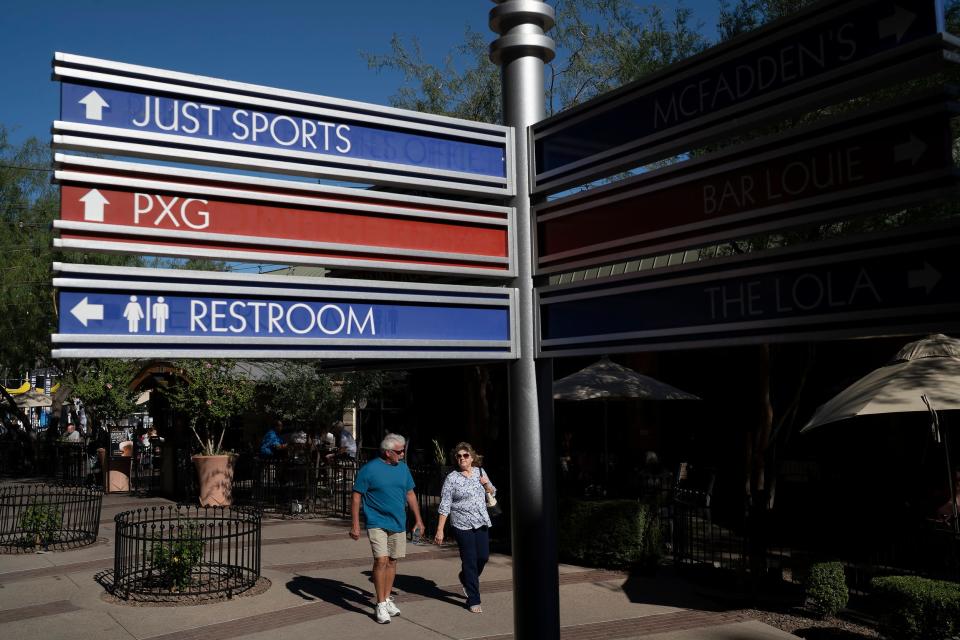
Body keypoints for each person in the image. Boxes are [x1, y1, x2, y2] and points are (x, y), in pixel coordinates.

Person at [350, 433, 425, 624]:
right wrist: (356, 524)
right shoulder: (369, 470)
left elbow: (410, 493)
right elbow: (357, 496)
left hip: (398, 522)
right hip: (376, 522)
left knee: (392, 561)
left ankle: (386, 598)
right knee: (381, 560)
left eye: (402, 451)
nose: (402, 455)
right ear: (388, 452)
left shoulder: (403, 468)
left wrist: (418, 520)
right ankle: (380, 603)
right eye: (399, 452)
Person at [434, 442, 496, 614]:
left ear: (472, 457)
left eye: (465, 455)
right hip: (462, 524)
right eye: (459, 456)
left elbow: (493, 492)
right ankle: (473, 599)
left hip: (481, 521)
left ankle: (465, 578)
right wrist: (440, 529)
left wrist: (487, 485)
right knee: (469, 561)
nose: (462, 458)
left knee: (482, 557)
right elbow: (445, 505)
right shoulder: (452, 478)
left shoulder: (480, 472)